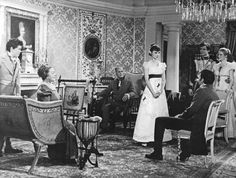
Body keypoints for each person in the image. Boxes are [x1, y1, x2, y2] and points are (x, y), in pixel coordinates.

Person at [145, 70, 219, 161]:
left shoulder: (202, 90)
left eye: (199, 78)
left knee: (160, 120)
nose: (197, 79)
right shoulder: (213, 92)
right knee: (168, 119)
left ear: (203, 79)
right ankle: (182, 152)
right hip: (203, 124)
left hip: (195, 124)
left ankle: (157, 153)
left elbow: (192, 110)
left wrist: (180, 116)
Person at [36, 64, 78, 164]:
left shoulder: (50, 86)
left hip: (56, 117)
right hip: (50, 120)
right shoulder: (43, 88)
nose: (55, 74)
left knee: (70, 126)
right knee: (70, 127)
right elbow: (46, 108)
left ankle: (63, 154)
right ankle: (68, 156)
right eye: (52, 73)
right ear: (46, 74)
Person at [133, 44, 172, 146]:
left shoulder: (162, 65)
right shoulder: (147, 64)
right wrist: (153, 92)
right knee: (148, 113)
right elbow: (146, 79)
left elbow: (164, 79)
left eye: (158, 52)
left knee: (159, 112)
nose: (157, 54)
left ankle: (160, 138)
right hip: (150, 90)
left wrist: (161, 90)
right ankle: (146, 137)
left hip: (160, 91)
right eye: (155, 52)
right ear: (151, 53)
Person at [0, 38, 23, 156]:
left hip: (12, 96)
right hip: (1, 95)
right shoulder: (1, 59)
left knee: (8, 121)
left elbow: (18, 80)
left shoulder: (17, 61)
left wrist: (18, 95)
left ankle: (8, 147)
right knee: (1, 122)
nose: (20, 51)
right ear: (11, 48)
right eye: (19, 49)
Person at [97, 67, 136, 133]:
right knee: (105, 107)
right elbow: (107, 91)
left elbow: (134, 92)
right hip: (115, 102)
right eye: (119, 72)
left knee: (117, 109)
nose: (121, 73)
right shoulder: (113, 82)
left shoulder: (128, 82)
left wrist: (128, 95)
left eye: (122, 71)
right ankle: (104, 127)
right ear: (116, 73)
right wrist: (97, 95)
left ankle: (112, 125)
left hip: (124, 103)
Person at [213, 47, 236, 138]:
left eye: (221, 55)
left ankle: (229, 133)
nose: (219, 56)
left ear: (226, 56)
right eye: (218, 54)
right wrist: (214, 88)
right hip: (218, 88)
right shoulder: (216, 65)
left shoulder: (230, 65)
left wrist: (229, 88)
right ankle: (217, 131)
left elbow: (231, 80)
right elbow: (215, 80)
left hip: (225, 88)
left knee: (228, 109)